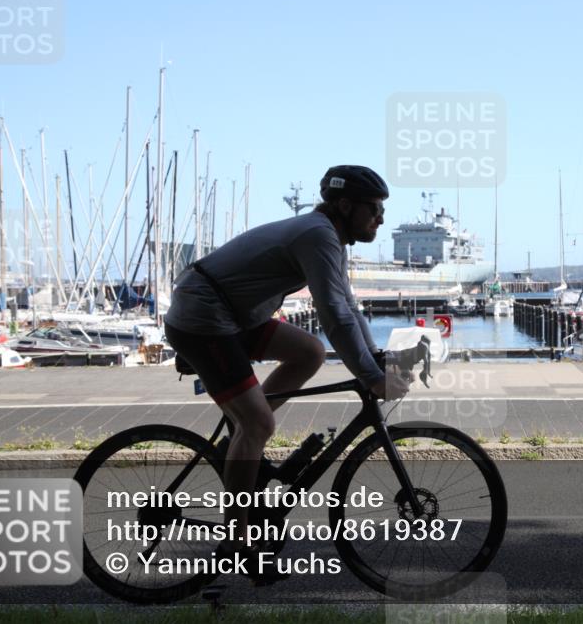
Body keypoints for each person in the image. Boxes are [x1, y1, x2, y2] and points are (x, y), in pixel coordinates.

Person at [163, 165, 409, 577]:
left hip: (233, 314)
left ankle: (243, 442)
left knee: (310, 352)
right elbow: (333, 315)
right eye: (374, 209)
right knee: (257, 424)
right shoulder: (318, 235)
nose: (380, 219)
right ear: (345, 206)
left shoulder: (329, 237)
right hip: (203, 316)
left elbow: (347, 306)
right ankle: (238, 542)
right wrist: (370, 376)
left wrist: (374, 356)